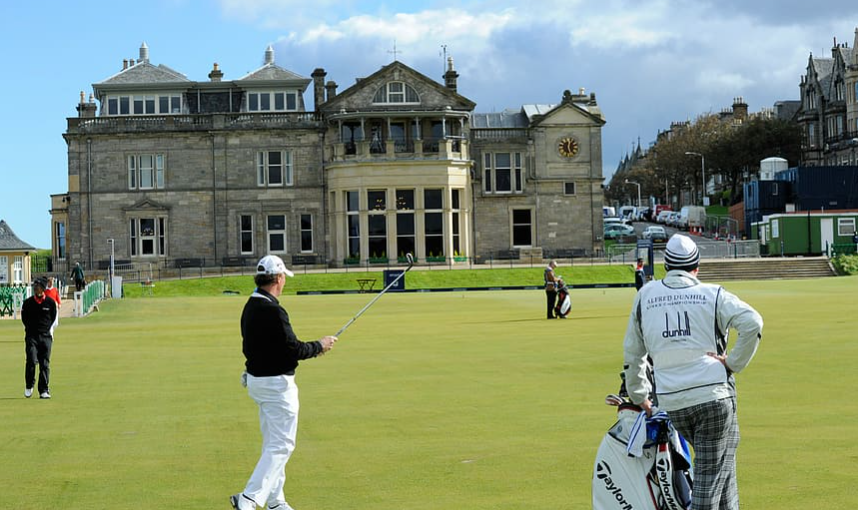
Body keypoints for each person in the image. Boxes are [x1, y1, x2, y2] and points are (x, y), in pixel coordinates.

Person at [623, 234, 763, 510]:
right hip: (714, 398)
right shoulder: (713, 293)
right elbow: (753, 323)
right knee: (708, 480)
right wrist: (732, 363)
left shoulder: (645, 296)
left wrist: (640, 395)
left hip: (673, 401)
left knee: (727, 454)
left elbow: (632, 353)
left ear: (666, 266)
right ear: (696, 267)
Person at [231, 255, 337, 510]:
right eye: (283, 278)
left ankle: (276, 501)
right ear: (278, 278)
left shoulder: (252, 305)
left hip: (258, 382)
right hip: (276, 385)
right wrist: (319, 346)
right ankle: (249, 498)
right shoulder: (273, 310)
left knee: (273, 443)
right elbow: (293, 349)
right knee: (282, 445)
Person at [21, 277, 58, 399]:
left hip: (46, 336)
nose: (36, 288)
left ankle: (43, 390)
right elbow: (24, 318)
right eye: (35, 286)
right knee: (31, 360)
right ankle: (29, 384)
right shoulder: (27, 303)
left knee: (44, 363)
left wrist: (48, 331)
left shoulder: (50, 303)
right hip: (32, 336)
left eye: (38, 286)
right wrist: (31, 330)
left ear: (43, 288)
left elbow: (53, 318)